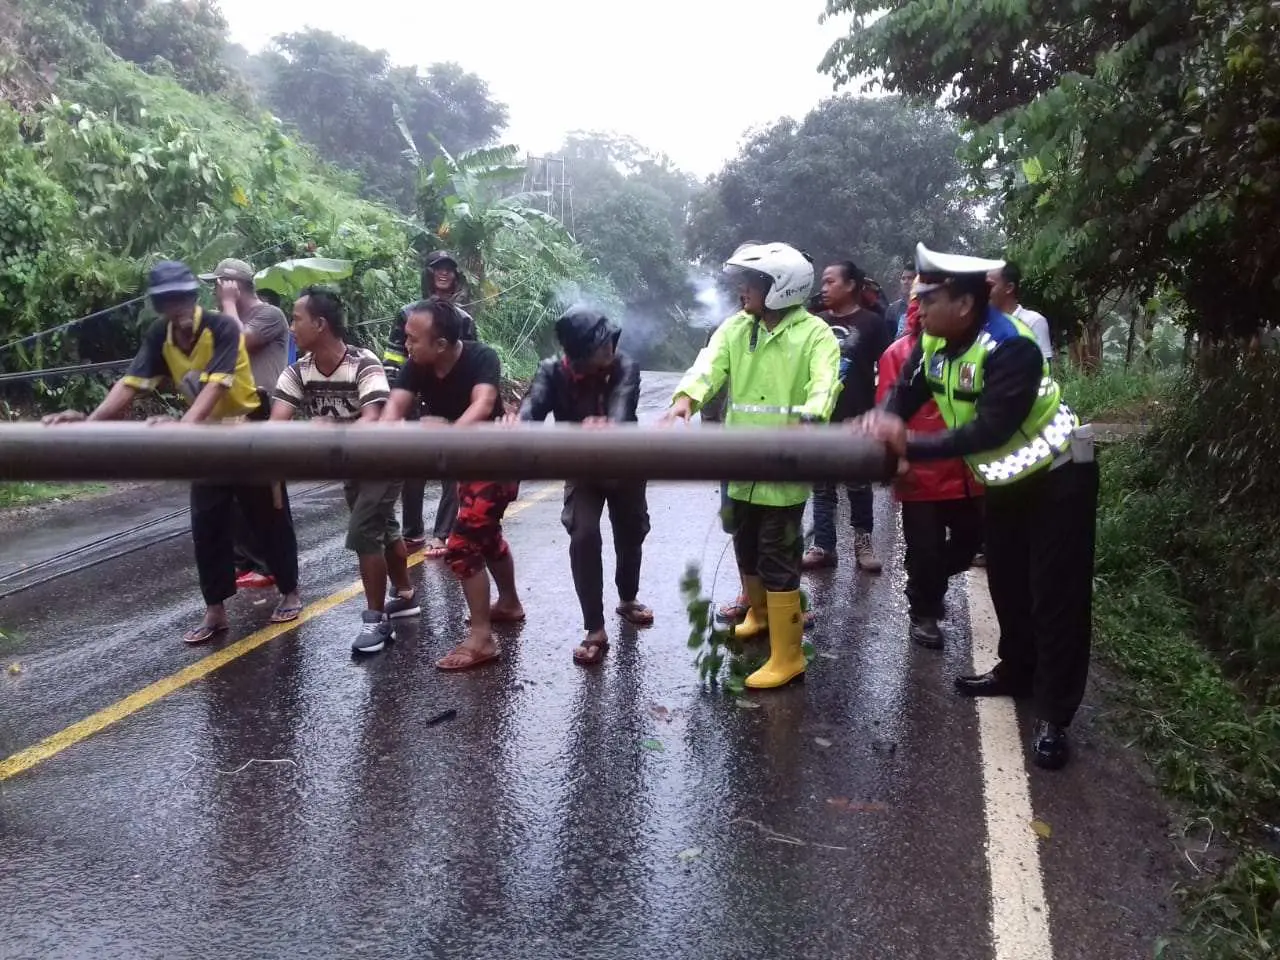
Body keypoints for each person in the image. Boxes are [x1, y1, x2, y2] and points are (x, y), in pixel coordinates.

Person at [860, 242, 1098, 769]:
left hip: (1060, 479)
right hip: (1010, 483)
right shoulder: (934, 345)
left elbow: (990, 428)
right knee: (1007, 584)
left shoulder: (1011, 347)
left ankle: (1055, 715)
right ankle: (1015, 671)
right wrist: (883, 422)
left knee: (1054, 597)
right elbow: (903, 396)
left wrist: (908, 446)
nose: (916, 305)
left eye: (928, 296)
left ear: (965, 303)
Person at [43, 260, 302, 643]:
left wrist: (181, 429)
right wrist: (88, 422)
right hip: (203, 439)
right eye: (167, 300)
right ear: (159, 305)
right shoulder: (159, 335)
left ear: (193, 297)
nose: (176, 305)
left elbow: (216, 386)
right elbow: (130, 384)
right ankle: (215, 610)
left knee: (268, 516)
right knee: (208, 524)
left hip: (247, 429)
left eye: (181, 297)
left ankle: (291, 590)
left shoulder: (223, 327)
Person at [664, 242, 840, 690]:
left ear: (780, 288)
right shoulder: (737, 328)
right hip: (740, 462)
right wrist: (686, 399)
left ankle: (789, 655)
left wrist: (811, 416)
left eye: (753, 282)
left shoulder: (815, 333)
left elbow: (825, 382)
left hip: (783, 466)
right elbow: (709, 366)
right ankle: (759, 618)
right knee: (745, 547)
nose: (743, 289)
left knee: (778, 557)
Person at [270, 286, 420, 655]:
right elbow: (276, 423)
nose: (291, 327)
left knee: (364, 530)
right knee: (384, 527)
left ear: (320, 324)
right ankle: (404, 595)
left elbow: (373, 420)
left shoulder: (363, 362)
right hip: (350, 464)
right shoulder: (298, 371)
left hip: (384, 456)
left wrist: (328, 429)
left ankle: (376, 621)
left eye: (296, 319)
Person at [382, 296, 522, 672]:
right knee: (486, 537)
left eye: (412, 339)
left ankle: (482, 638)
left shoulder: (481, 357)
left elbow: (482, 405)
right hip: (467, 466)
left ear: (441, 344)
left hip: (497, 461)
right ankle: (508, 602)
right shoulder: (416, 366)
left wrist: (442, 437)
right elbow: (391, 412)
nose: (405, 344)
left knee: (462, 545)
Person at [516, 306, 652, 665]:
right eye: (600, 348)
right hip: (582, 468)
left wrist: (609, 424)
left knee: (631, 532)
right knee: (583, 534)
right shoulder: (551, 372)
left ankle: (627, 597)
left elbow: (622, 410)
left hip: (625, 463)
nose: (610, 352)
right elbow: (530, 413)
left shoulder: (625, 366)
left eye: (610, 344)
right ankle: (594, 628)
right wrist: (515, 427)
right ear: (577, 356)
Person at [875, 292, 984, 649]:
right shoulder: (899, 354)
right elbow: (888, 412)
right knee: (926, 550)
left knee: (970, 544)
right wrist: (896, 462)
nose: (923, 311)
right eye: (920, 304)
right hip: (921, 474)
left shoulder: (973, 349)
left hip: (966, 471)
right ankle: (924, 613)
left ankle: (925, 583)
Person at [200, 258, 293, 591]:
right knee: (236, 499)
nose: (214, 291)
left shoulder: (269, 315)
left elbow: (235, 342)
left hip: (261, 411)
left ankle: (272, 566)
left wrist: (227, 304)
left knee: (266, 497)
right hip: (231, 414)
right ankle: (247, 561)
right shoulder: (228, 316)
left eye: (218, 285)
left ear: (233, 286)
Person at [384, 250, 477, 556]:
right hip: (413, 395)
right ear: (428, 274)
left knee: (452, 465)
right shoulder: (407, 315)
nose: (444, 273)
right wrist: (396, 396)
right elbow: (395, 357)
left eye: (449, 269)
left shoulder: (463, 320)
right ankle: (412, 533)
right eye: (438, 268)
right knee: (414, 464)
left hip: (450, 400)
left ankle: (444, 532)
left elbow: (471, 362)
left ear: (456, 277)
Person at [803, 261, 890, 574]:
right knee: (822, 487)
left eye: (830, 282)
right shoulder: (815, 323)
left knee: (858, 484)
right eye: (822, 283)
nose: (823, 288)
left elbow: (888, 370)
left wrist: (881, 415)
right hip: (822, 417)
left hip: (858, 417)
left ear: (851, 285)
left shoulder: (873, 324)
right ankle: (823, 546)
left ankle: (863, 543)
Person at [987, 263, 1053, 364]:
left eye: (990, 286)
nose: (984, 291)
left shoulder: (1033, 321)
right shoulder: (982, 323)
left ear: (1009, 288)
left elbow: (1044, 366)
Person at [887, 261, 917, 338]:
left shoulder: (925, 307)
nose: (906, 282)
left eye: (910, 278)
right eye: (903, 279)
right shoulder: (893, 309)